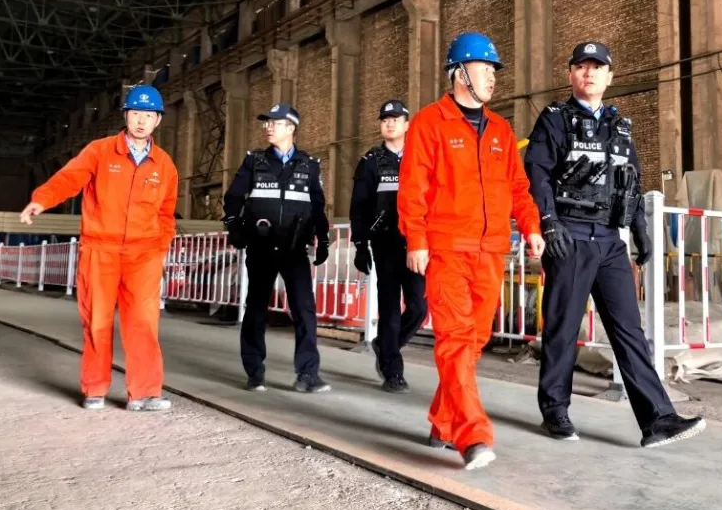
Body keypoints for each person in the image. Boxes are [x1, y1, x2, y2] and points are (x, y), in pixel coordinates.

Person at [523, 41, 706, 447]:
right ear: (571, 74)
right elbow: (536, 174)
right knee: (562, 329)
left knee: (629, 332)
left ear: (610, 76)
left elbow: (630, 181)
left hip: (609, 242)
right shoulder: (555, 120)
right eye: (581, 66)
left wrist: (640, 228)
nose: (589, 73)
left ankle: (658, 420)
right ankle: (555, 411)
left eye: (597, 67)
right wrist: (548, 223)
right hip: (570, 238)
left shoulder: (620, 126)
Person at [398, 31, 545, 470]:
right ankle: (473, 436)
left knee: (475, 340)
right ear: (460, 73)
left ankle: (443, 422)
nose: (493, 77)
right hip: (446, 249)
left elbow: (517, 187)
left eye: (494, 70)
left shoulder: (500, 129)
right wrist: (416, 240)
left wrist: (531, 226)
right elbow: (413, 187)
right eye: (485, 68)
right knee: (456, 340)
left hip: (491, 251)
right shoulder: (429, 122)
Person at [20, 84, 178, 412]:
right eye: (136, 114)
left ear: (158, 120)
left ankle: (144, 393)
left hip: (143, 256)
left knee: (144, 322)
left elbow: (166, 213)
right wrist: (41, 200)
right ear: (126, 115)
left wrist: (159, 247)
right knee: (97, 320)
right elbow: (68, 179)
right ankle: (94, 388)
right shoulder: (100, 151)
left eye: (149, 115)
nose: (141, 121)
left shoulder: (164, 165)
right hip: (100, 250)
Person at [223, 103, 331, 394]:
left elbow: (318, 207)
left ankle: (308, 375)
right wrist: (234, 226)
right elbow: (233, 198)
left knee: (304, 309)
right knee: (256, 308)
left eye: (276, 122)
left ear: (291, 128)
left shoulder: (309, 165)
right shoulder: (254, 161)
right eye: (267, 123)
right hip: (261, 246)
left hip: (294, 249)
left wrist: (323, 239)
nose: (269, 127)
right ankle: (255, 372)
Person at [349, 99, 427, 394]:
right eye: (385, 120)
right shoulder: (371, 162)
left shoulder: (421, 157)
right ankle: (393, 371)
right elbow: (359, 207)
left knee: (419, 307)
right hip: (385, 243)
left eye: (395, 119)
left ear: (407, 125)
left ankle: (385, 345)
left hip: (416, 244)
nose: (390, 123)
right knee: (390, 309)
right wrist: (360, 245)